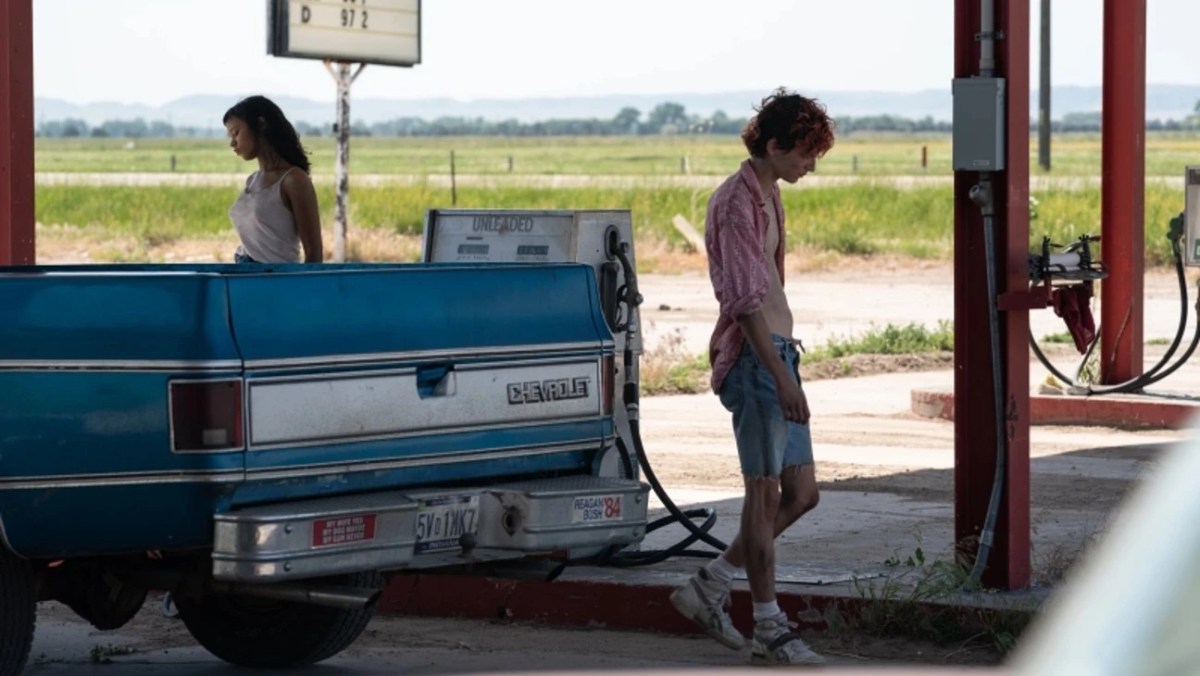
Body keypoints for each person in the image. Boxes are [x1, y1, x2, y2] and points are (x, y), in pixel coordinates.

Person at [669, 87, 836, 666]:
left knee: (802, 494)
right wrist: (780, 377)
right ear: (773, 144)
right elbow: (743, 303)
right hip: (756, 361)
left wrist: (789, 366)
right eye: (805, 154)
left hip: (780, 356)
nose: (810, 166)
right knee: (764, 494)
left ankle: (708, 587)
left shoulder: (768, 196)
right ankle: (769, 626)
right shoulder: (735, 202)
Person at [223, 95, 323, 263]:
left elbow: (314, 252)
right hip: (244, 274)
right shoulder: (252, 181)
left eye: (236, 133)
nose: (232, 143)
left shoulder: (294, 180)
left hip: (277, 281)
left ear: (260, 125)